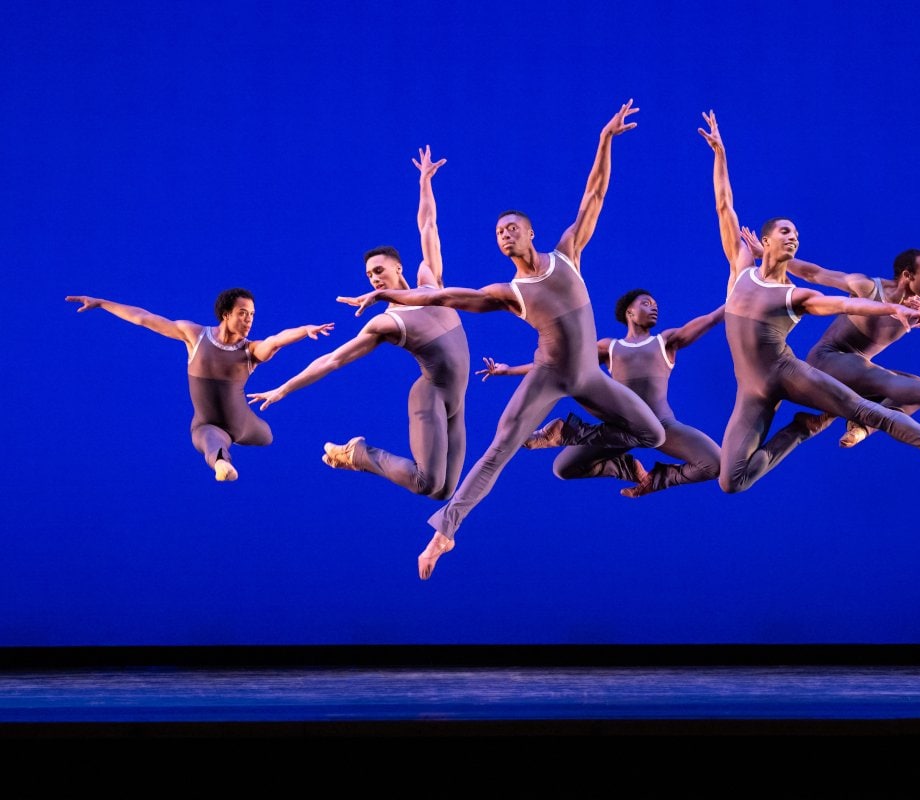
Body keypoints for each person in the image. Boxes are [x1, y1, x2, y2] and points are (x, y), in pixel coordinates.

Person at [336, 100, 665, 580]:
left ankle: (570, 434)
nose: (505, 234)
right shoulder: (508, 293)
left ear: (533, 233)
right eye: (498, 232)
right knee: (500, 450)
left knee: (651, 433)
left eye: (513, 227)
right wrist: (386, 294)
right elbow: (447, 293)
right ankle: (443, 533)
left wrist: (604, 139)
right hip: (549, 377)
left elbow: (594, 195)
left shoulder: (568, 254)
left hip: (590, 378)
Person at [698, 109, 920, 493]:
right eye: (785, 231)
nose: (793, 236)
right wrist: (719, 155)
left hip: (789, 372)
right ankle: (802, 429)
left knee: (875, 408)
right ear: (766, 240)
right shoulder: (740, 268)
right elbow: (724, 206)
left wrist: (897, 309)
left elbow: (845, 305)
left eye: (797, 233)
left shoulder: (796, 296)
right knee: (732, 480)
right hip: (752, 389)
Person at [246, 147, 469, 500]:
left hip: (458, 400)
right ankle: (358, 453)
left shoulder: (431, 283)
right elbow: (333, 359)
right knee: (426, 482)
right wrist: (283, 388)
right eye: (369, 276)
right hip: (430, 396)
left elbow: (428, 226)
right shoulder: (388, 323)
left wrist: (425, 182)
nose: (374, 279)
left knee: (443, 492)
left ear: (398, 267)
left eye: (378, 271)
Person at [739, 233, 920, 448]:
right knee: (890, 383)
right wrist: (767, 254)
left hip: (858, 368)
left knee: (914, 387)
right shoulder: (868, 289)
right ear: (907, 275)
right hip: (827, 359)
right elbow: (814, 274)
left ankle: (860, 428)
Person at [477, 288, 725, 498]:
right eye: (646, 303)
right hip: (622, 427)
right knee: (564, 468)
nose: (654, 308)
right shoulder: (610, 347)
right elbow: (560, 362)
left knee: (715, 465)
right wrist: (509, 371)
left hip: (662, 426)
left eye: (656, 305)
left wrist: (744, 297)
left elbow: (712, 318)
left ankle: (652, 477)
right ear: (629, 312)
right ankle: (623, 467)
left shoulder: (665, 341)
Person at [66, 289, 334, 482]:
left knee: (266, 436)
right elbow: (143, 317)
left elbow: (275, 340)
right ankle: (222, 464)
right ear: (226, 314)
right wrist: (102, 303)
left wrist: (303, 330)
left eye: (252, 314)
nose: (249, 319)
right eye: (243, 313)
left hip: (243, 424)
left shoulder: (251, 351)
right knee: (209, 440)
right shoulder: (194, 336)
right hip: (207, 424)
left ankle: (231, 448)